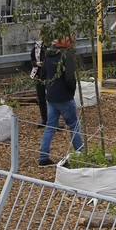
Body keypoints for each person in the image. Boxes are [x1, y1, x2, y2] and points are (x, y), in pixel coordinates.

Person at [37, 35, 85, 166]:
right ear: (67, 42)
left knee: (50, 126)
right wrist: (71, 91)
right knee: (74, 124)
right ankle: (80, 152)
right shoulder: (66, 55)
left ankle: (43, 157)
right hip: (64, 97)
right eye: (73, 41)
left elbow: (42, 74)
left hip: (51, 96)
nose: (74, 44)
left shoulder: (48, 53)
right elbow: (69, 77)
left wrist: (50, 86)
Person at [30, 34, 48, 129]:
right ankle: (44, 119)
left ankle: (54, 120)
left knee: (51, 99)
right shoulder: (37, 47)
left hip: (50, 76)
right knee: (41, 99)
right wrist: (36, 63)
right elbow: (32, 60)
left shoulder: (53, 48)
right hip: (39, 76)